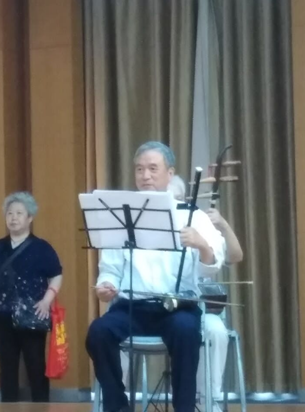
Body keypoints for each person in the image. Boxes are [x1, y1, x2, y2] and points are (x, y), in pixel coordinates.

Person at [86, 141, 225, 412]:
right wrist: (107, 285)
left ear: (169, 173)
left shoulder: (192, 216)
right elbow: (111, 269)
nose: (145, 175)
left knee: (186, 331)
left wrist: (201, 244)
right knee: (98, 333)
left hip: (177, 307)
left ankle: (184, 407)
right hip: (131, 308)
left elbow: (213, 265)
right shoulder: (121, 215)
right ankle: (118, 406)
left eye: (152, 168)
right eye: (139, 169)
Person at [0, 192, 63, 402]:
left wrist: (47, 301)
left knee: (36, 367)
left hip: (33, 314)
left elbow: (56, 276)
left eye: (19, 213)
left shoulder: (42, 248)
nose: (13, 218)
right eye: (10, 213)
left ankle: (41, 406)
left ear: (30, 217)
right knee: (7, 368)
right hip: (2, 314)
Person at [168, 175, 244, 409]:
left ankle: (209, 399)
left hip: (199, 309)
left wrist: (222, 224)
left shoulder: (196, 224)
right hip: (165, 308)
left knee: (216, 331)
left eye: (179, 199)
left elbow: (235, 256)